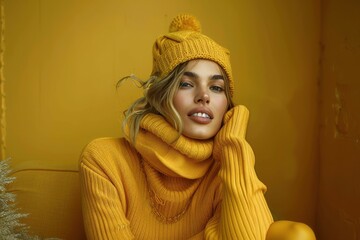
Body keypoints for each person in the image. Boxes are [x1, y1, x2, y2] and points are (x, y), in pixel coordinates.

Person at [79, 14, 316, 240]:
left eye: (216, 88)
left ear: (227, 105)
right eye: (185, 83)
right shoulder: (105, 160)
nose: (204, 96)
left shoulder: (226, 170)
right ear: (161, 95)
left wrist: (235, 146)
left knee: (295, 235)